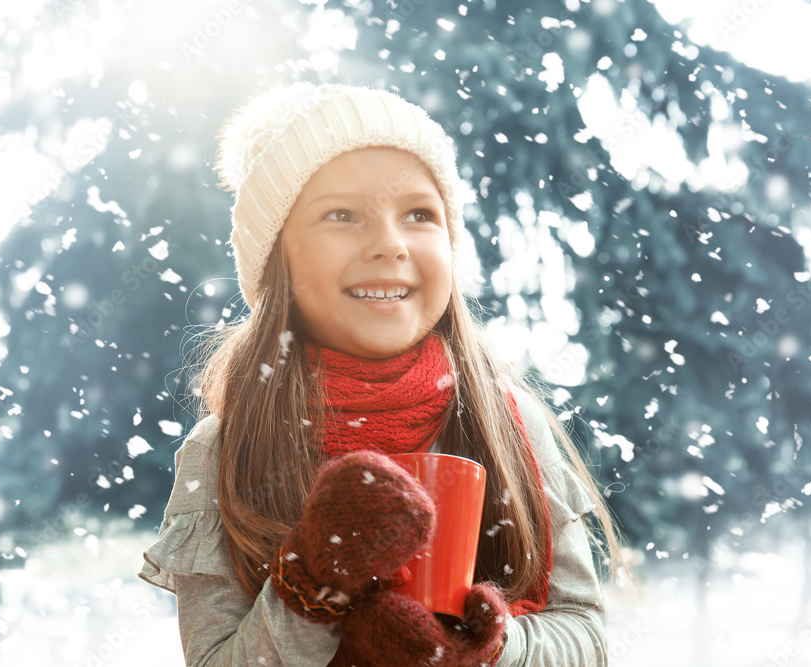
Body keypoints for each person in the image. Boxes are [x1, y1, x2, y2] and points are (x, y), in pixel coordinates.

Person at [138, 81, 625, 666]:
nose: (389, 244)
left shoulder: (511, 425)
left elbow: (586, 641)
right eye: (340, 214)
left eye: (419, 213)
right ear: (278, 262)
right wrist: (311, 583)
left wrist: (489, 649)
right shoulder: (225, 450)